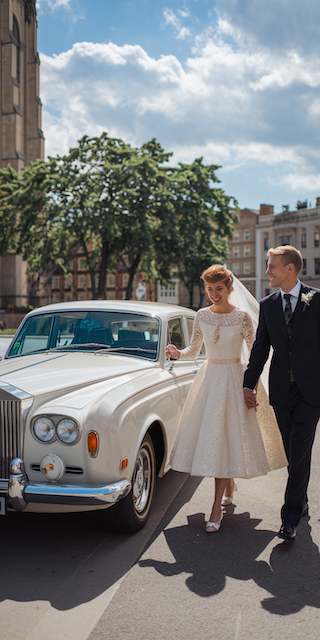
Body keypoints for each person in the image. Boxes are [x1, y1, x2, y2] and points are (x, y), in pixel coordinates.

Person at [166, 264, 285, 533]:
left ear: (229, 288)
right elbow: (194, 349)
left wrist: (251, 387)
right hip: (209, 381)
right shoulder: (201, 316)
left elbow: (256, 353)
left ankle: (216, 506)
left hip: (235, 379)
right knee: (214, 439)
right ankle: (228, 486)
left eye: (219, 289)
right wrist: (177, 353)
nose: (213, 294)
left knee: (226, 436)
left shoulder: (242, 317)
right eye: (209, 289)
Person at [244, 245, 320, 541]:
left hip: (312, 392)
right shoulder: (268, 304)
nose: (267, 272)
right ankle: (301, 502)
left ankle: (289, 520)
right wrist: (248, 383)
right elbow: (261, 348)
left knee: (300, 451)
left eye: (271, 266)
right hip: (281, 391)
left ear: (290, 269)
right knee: (293, 454)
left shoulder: (317, 300)